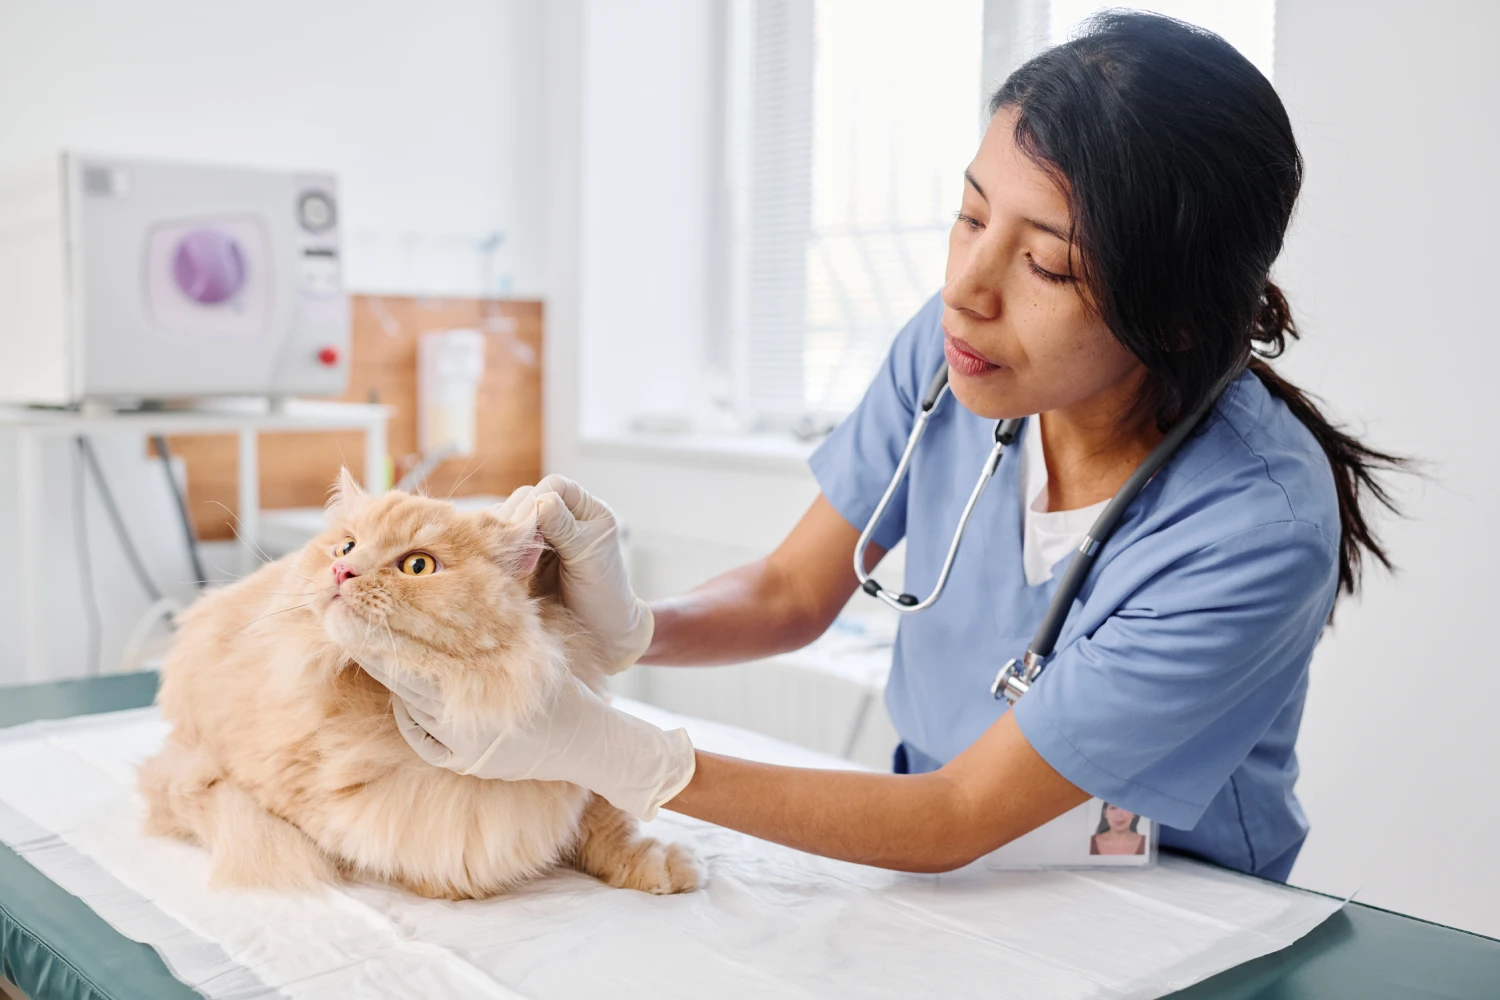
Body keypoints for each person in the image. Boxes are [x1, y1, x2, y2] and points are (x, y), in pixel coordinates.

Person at [364, 11, 1404, 883]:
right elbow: (788, 592)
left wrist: (624, 754)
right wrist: (630, 628)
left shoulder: (1253, 527)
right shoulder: (956, 353)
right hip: (936, 862)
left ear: (1174, 317)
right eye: (969, 214)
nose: (968, 285)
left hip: (1162, 900)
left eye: (1047, 265)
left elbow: (958, 816)